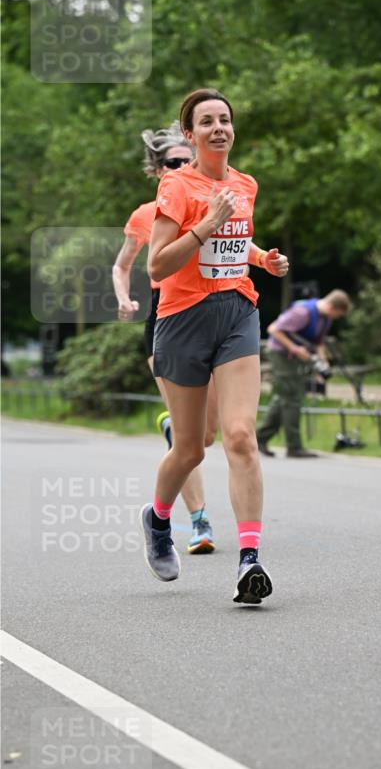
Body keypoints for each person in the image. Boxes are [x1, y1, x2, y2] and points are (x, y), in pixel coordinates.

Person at [141, 88, 289, 604]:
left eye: (225, 119)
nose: (218, 128)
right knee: (189, 447)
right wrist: (204, 225)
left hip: (237, 314)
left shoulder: (246, 183)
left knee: (241, 437)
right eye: (207, 122)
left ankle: (250, 559)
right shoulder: (177, 186)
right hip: (182, 321)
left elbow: (234, 238)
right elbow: (157, 266)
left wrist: (260, 260)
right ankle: (159, 520)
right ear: (190, 134)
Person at [112, 122, 218, 555]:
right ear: (158, 170)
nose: (182, 168)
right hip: (164, 320)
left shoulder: (209, 200)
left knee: (206, 437)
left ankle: (173, 424)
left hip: (207, 314)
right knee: (189, 444)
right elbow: (123, 266)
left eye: (186, 161)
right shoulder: (144, 214)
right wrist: (124, 299)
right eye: (174, 162)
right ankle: (198, 521)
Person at [256, 290, 352, 458]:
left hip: (297, 357)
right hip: (281, 354)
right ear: (332, 306)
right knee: (293, 397)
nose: (335, 318)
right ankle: (294, 446)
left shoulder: (325, 318)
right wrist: (295, 349)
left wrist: (323, 361)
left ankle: (260, 438)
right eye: (336, 314)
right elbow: (274, 329)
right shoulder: (302, 312)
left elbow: (319, 342)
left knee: (286, 396)